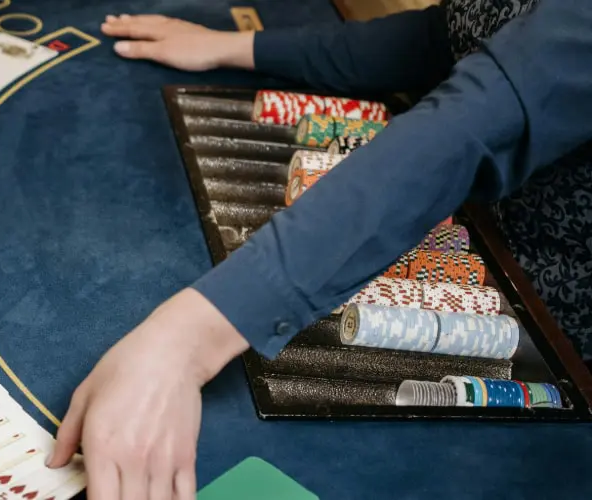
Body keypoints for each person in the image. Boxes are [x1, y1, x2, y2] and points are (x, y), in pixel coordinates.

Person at [45, 0, 592, 499]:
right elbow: (448, 37)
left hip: (556, 340)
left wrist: (185, 340)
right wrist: (239, 47)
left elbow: (470, 129)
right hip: (481, 234)